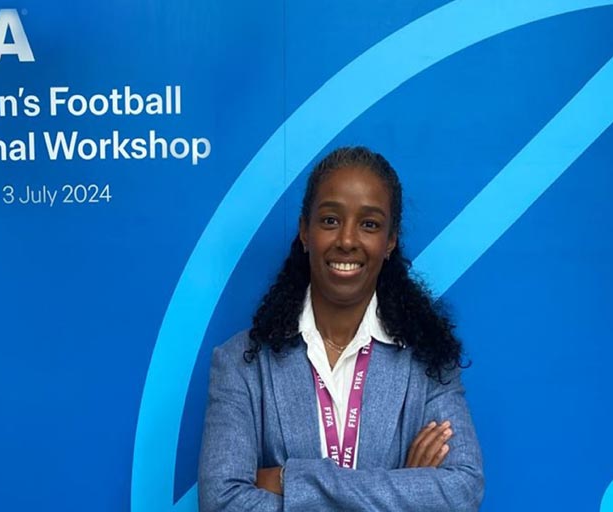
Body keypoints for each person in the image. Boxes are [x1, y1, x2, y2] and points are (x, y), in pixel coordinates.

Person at [198, 146, 484, 511]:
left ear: (390, 241)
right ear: (305, 231)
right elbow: (221, 502)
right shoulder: (241, 364)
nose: (347, 240)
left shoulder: (429, 360)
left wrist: (290, 481)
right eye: (330, 220)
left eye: (369, 224)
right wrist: (406, 490)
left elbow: (462, 490)